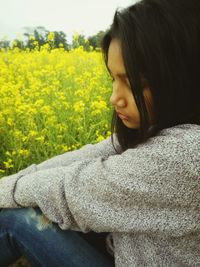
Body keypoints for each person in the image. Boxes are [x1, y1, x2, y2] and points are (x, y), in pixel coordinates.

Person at [0, 0, 199, 266]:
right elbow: (90, 155)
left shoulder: (184, 153)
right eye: (113, 79)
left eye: (135, 84)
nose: (113, 98)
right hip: (123, 251)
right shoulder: (162, 128)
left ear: (183, 77)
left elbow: (71, 191)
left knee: (18, 218)